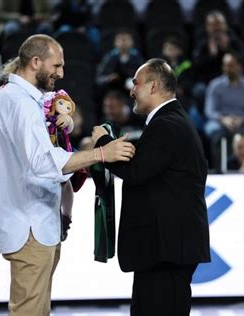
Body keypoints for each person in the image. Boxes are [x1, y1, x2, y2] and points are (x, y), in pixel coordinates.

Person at [0, 34, 135, 315]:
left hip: (32, 224)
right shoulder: (21, 104)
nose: (61, 73)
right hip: (30, 227)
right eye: (57, 66)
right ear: (36, 62)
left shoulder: (10, 97)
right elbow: (43, 164)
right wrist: (100, 154)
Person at [92, 58, 210, 316]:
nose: (131, 90)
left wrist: (102, 145)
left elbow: (135, 172)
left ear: (153, 86)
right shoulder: (170, 121)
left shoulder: (167, 125)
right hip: (161, 250)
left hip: (166, 251)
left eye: (136, 83)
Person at [0, 85, 77, 264]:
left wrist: (67, 120)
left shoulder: (53, 97)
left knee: (66, 184)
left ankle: (65, 217)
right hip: (20, 158)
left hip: (51, 155)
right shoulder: (11, 97)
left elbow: (69, 121)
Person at [204, 52, 244, 144]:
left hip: (242, 121)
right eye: (225, 65)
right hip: (221, 121)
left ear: (239, 66)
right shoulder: (215, 85)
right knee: (212, 129)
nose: (226, 69)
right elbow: (210, 110)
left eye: (230, 66)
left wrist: (241, 120)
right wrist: (224, 119)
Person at [96, 29, 143, 95]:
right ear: (115, 43)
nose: (123, 42)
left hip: (133, 92)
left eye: (126, 39)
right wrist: (108, 78)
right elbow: (99, 79)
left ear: (132, 42)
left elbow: (144, 77)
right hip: (113, 91)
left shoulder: (137, 58)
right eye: (121, 39)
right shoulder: (109, 58)